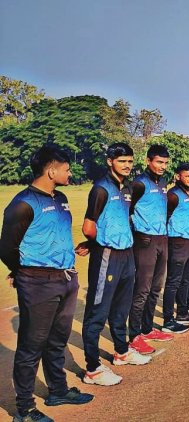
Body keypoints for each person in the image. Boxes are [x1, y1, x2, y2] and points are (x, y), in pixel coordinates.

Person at [0, 146, 94, 422]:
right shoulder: (23, 203)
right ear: (51, 170)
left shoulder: (62, 197)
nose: (70, 172)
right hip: (39, 282)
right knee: (32, 345)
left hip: (66, 278)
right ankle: (25, 409)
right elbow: (6, 247)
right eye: (66, 168)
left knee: (57, 340)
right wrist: (23, 272)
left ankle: (58, 390)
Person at [81, 142, 151, 387]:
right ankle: (92, 369)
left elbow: (123, 217)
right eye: (122, 161)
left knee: (121, 309)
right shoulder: (101, 189)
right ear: (110, 161)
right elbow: (88, 226)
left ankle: (121, 352)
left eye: (130, 161)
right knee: (97, 313)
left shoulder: (129, 188)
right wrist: (96, 243)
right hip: (107, 255)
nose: (127, 166)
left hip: (126, 254)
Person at [128, 145, 172, 356]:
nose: (162, 166)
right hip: (144, 241)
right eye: (158, 162)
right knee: (142, 289)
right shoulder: (138, 183)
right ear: (148, 161)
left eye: (165, 163)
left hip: (162, 238)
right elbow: (125, 210)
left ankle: (147, 328)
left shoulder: (163, 182)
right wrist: (137, 233)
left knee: (156, 287)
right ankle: (134, 336)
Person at [163, 163, 189, 334]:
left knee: (187, 279)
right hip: (178, 241)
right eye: (187, 176)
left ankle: (182, 312)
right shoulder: (173, 195)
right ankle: (168, 319)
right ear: (178, 176)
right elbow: (164, 217)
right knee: (174, 281)